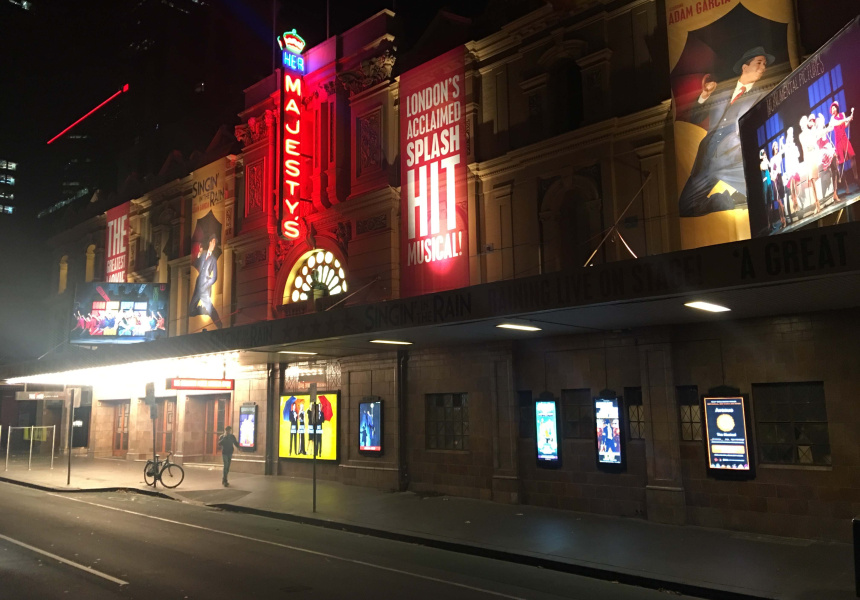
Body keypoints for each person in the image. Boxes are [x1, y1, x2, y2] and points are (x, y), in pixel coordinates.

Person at [678, 47, 774, 217]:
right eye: (759, 63)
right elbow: (695, 116)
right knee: (686, 206)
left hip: (732, 157)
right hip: (707, 158)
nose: (763, 67)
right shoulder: (721, 91)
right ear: (745, 67)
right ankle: (729, 200)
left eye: (765, 64)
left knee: (765, 194)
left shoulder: (762, 94)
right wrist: (705, 95)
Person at [188, 233, 222, 328]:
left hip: (204, 287)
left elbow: (214, 277)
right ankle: (205, 310)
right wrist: (198, 254)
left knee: (211, 309)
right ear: (210, 242)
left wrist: (207, 284)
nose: (214, 244)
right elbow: (196, 263)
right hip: (198, 285)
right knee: (190, 311)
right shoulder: (202, 254)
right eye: (213, 242)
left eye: (215, 243)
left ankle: (220, 325)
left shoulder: (213, 259)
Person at [828, 102, 857, 192]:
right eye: (832, 109)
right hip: (838, 142)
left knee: (853, 156)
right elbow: (837, 123)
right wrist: (846, 119)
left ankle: (856, 177)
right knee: (841, 164)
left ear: (837, 108)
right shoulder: (832, 119)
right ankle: (846, 186)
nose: (833, 110)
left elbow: (844, 125)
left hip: (844, 139)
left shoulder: (842, 114)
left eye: (834, 108)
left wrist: (849, 120)